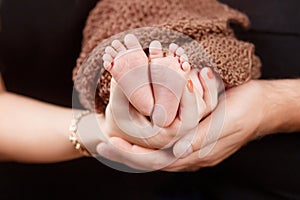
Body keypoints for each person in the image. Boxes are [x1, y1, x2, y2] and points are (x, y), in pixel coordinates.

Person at [0, 1, 299, 200]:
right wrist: (104, 130)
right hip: (53, 155)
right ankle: (162, 90)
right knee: (160, 54)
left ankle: (167, 90)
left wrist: (270, 106)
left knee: (194, 52)